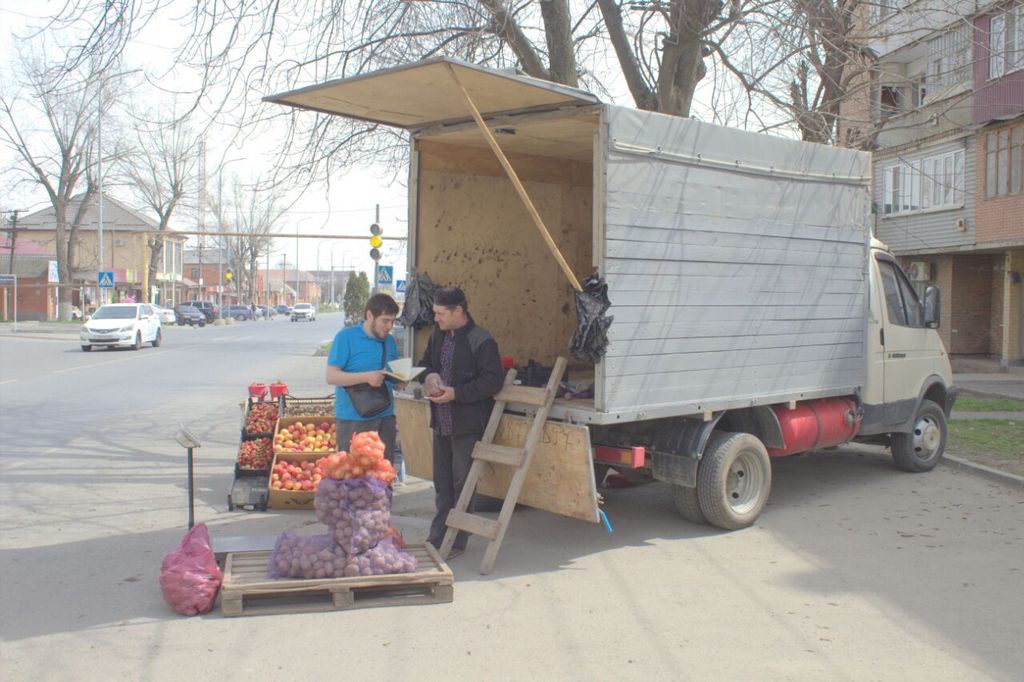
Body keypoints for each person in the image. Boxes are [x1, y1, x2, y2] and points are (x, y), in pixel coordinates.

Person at [418, 287, 504, 556]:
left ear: (459, 311)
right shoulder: (437, 337)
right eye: (435, 314)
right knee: (442, 482)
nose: (437, 319)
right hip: (441, 422)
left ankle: (457, 540)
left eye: (441, 314)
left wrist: (456, 393)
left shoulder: (482, 341)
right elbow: (424, 365)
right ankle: (439, 534)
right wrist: (429, 377)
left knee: (462, 483)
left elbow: (492, 380)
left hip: (467, 423)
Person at [325, 293, 402, 462]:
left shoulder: (389, 341)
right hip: (353, 419)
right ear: (369, 316)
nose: (389, 326)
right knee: (355, 479)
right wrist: (366, 377)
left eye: (392, 321)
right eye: (385, 320)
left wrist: (400, 382)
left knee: (383, 476)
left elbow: (390, 376)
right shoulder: (346, 337)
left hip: (385, 417)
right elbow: (331, 376)